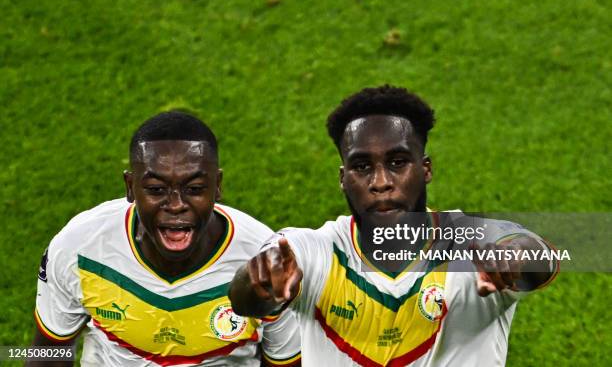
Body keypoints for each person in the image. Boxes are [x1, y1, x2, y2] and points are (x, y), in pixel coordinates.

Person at [229, 85, 558, 366]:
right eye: (362, 166)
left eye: (397, 162)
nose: (381, 182)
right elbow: (244, 296)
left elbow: (540, 255)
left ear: (425, 169)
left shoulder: (468, 242)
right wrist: (259, 283)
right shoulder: (313, 251)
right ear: (344, 179)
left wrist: (515, 255)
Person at [29, 111, 301, 366]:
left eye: (194, 188)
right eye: (156, 189)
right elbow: (47, 354)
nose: (175, 205)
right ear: (130, 187)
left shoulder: (267, 266)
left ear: (217, 186)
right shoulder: (80, 248)